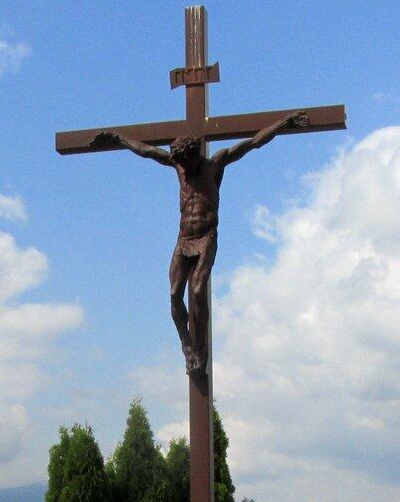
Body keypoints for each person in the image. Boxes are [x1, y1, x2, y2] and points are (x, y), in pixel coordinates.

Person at [92, 112, 309, 374]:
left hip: (206, 236)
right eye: (181, 163)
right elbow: (146, 151)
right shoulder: (179, 167)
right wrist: (117, 138)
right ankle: (187, 345)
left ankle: (200, 347)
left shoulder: (215, 164)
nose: (184, 167)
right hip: (184, 238)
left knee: (197, 290)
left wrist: (285, 123)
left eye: (187, 161)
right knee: (174, 294)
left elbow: (254, 142)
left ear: (195, 154)